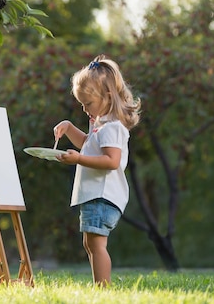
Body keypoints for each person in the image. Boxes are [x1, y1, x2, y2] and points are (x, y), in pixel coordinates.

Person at [53, 54, 141, 286]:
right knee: (90, 243)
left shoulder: (112, 127)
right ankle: (100, 286)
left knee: (96, 244)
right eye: (81, 104)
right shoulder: (100, 125)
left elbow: (111, 161)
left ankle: (103, 288)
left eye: (88, 104)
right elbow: (87, 145)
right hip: (96, 195)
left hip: (102, 195)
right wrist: (69, 127)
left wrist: (79, 160)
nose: (84, 109)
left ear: (108, 96)